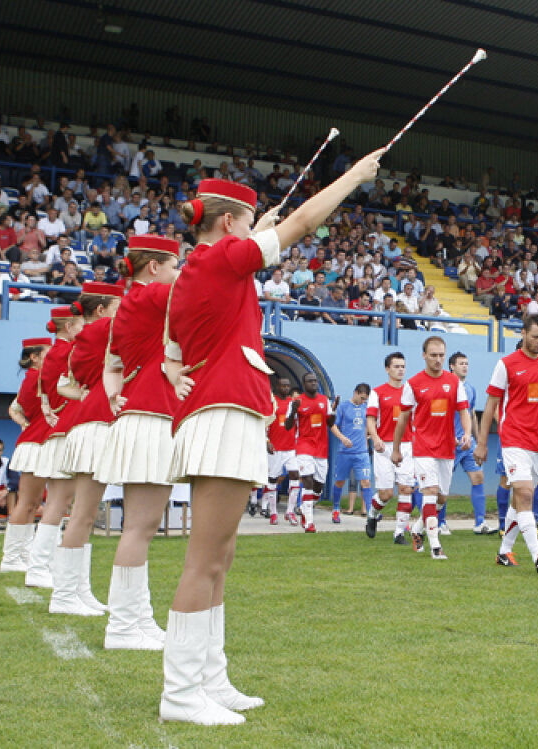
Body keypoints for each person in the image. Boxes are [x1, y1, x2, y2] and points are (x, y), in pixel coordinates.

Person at [161, 154, 380, 726]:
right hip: (223, 413)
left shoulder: (199, 268)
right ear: (228, 223)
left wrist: (254, 231)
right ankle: (180, 692)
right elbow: (304, 222)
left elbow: (173, 353)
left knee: (220, 557)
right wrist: (355, 176)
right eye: (248, 222)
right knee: (203, 562)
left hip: (219, 412)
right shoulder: (222, 259)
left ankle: (210, 678)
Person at [92, 236, 181, 650]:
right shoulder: (152, 297)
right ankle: (124, 626)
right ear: (153, 268)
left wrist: (115, 395)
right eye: (173, 266)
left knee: (140, 528)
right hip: (152, 416)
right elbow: (203, 283)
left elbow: (112, 367)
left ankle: (137, 618)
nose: (178, 273)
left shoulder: (128, 305)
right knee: (140, 529)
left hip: (140, 414)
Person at [476, 314, 538, 573]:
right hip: (514, 439)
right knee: (525, 494)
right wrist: (482, 443)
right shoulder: (506, 364)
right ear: (523, 334)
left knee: (519, 501)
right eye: (535, 337)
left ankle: (504, 551)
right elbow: (490, 405)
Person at [52, 281, 124, 617]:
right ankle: (65, 593)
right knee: (83, 514)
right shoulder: (103, 331)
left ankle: (77, 589)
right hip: (97, 421)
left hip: (90, 417)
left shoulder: (85, 336)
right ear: (101, 310)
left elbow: (71, 383)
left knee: (85, 513)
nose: (123, 312)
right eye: (117, 307)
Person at [391, 337, 473, 560]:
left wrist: (467, 433)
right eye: (433, 355)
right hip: (423, 447)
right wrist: (396, 449)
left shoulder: (454, 382)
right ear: (424, 355)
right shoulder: (413, 384)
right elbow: (403, 419)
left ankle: (417, 529)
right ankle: (435, 546)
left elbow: (464, 411)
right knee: (430, 491)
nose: (438, 359)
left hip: (447, 448)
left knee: (441, 499)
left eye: (441, 355)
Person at [24, 305, 85, 589]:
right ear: (69, 327)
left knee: (59, 503)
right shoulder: (70, 351)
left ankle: (43, 565)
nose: (83, 329)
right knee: (61, 503)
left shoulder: (51, 355)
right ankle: (39, 566)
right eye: (80, 324)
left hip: (57, 428)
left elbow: (45, 398)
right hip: (67, 427)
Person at [2, 337, 54, 571]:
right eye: (48, 354)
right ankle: (12, 556)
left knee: (32, 503)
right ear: (34, 357)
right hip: (36, 442)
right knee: (27, 503)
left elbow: (13, 408)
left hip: (39, 439)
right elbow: (13, 408)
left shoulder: (34, 378)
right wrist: (25, 424)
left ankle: (22, 553)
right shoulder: (38, 378)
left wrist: (24, 422)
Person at [364, 352, 416, 544]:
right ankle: (372, 514)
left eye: (403, 366)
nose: (400, 370)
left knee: (406, 489)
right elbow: (370, 419)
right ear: (387, 369)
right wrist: (375, 438)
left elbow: (416, 420)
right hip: (384, 447)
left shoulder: (410, 392)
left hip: (406, 446)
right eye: (396, 366)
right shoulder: (377, 392)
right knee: (386, 494)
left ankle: (399, 533)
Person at [447, 352, 493, 535]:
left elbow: (471, 414)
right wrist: (450, 436)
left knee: (478, 477)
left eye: (466, 363)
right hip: (449, 443)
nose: (465, 366)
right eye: (461, 363)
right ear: (452, 366)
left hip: (468, 443)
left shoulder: (471, 389)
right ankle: (439, 523)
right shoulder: (446, 387)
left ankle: (480, 523)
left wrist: (479, 440)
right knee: (442, 485)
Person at [285, 372, 337, 532]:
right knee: (307, 480)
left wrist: (333, 411)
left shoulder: (324, 400)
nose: (313, 383)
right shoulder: (296, 402)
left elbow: (330, 422)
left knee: (318, 487)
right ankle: (309, 522)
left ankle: (304, 508)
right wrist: (293, 411)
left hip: (321, 448)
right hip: (304, 446)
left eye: (315, 381)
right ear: (304, 384)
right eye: (310, 381)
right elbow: (287, 426)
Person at [330, 383, 372, 525]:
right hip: (345, 452)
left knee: (366, 481)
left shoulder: (366, 408)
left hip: (362, 452)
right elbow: (332, 425)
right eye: (362, 398)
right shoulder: (343, 407)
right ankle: (336, 509)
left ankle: (371, 514)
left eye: (365, 399)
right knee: (340, 481)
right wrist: (342, 438)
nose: (363, 401)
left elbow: (370, 425)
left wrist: (369, 436)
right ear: (355, 393)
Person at [264, 378, 299, 526]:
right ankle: (273, 512)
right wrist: (267, 441)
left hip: (291, 449)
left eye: (287, 385)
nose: (285, 388)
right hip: (275, 448)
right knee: (272, 479)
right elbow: (263, 423)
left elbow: (299, 425)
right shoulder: (271, 403)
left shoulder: (293, 403)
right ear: (277, 387)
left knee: (295, 475)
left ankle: (290, 511)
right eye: (283, 385)